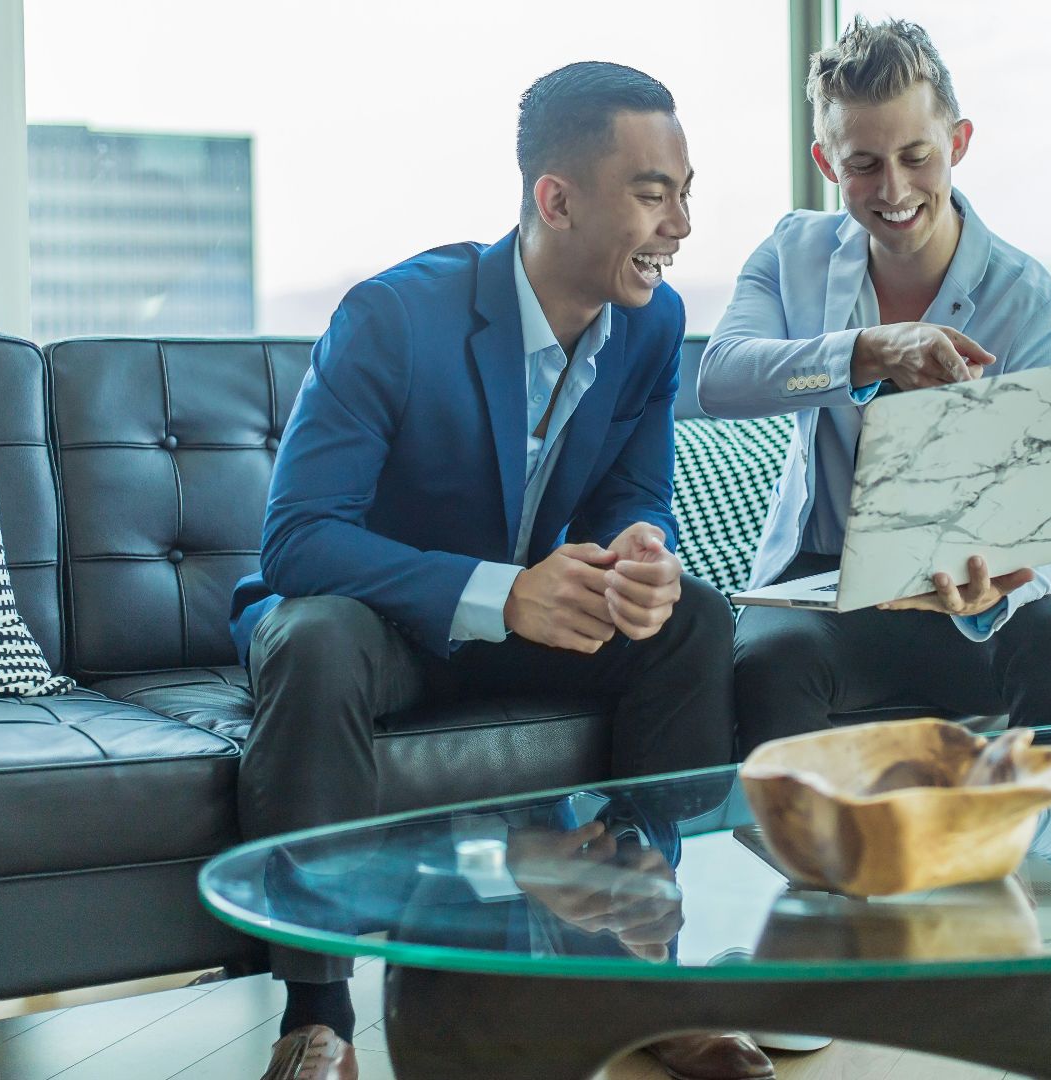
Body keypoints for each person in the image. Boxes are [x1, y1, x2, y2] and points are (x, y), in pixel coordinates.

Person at [229, 62, 766, 1080]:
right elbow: (297, 540)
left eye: (687, 189)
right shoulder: (391, 317)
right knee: (314, 635)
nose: (682, 224)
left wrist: (644, 550)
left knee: (688, 618)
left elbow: (632, 496)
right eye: (654, 192)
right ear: (556, 200)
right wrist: (501, 592)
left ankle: (634, 953)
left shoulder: (652, 323)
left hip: (526, 624)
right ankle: (319, 1015)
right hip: (377, 629)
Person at [697, 18, 1051, 757]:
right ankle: (808, 874)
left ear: (959, 142)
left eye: (917, 156)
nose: (894, 190)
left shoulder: (1032, 304)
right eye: (863, 164)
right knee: (767, 661)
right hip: (826, 587)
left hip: (978, 592)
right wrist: (868, 352)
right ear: (826, 161)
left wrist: (1000, 583)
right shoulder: (792, 255)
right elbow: (721, 378)